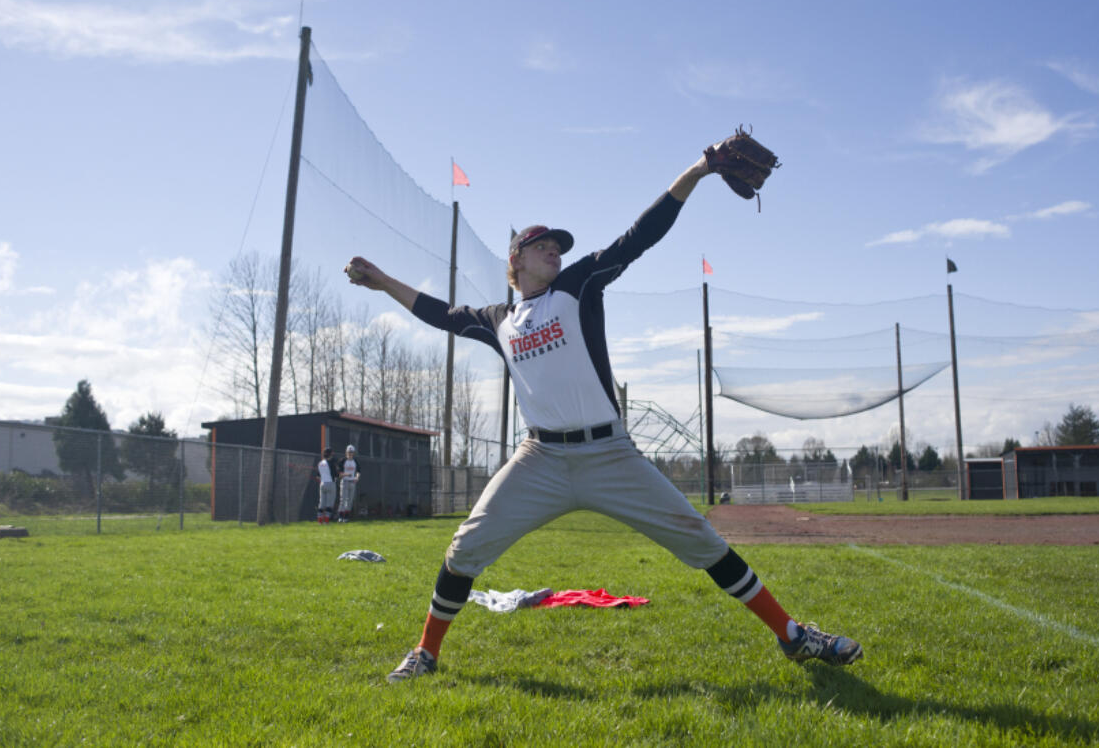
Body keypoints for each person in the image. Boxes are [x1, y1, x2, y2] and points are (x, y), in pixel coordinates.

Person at [344, 139, 862, 683]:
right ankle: (425, 653)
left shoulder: (579, 283)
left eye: (558, 247)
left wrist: (702, 168)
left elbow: (641, 235)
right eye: (543, 245)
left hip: (609, 454)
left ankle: (793, 636)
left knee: (701, 539)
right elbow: (440, 313)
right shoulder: (498, 318)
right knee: (466, 546)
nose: (556, 252)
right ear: (515, 259)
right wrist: (383, 282)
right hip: (539, 458)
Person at [314, 447, 337, 524]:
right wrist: (345, 474)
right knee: (329, 504)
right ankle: (326, 521)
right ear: (330, 454)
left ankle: (320, 521)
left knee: (322, 503)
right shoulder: (331, 463)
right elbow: (336, 475)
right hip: (330, 483)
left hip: (322, 484)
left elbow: (317, 476)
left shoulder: (320, 463)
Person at [337, 444, 360, 522]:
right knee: (343, 499)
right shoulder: (343, 460)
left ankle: (346, 517)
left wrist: (357, 477)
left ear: (353, 453)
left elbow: (358, 471)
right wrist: (347, 474)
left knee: (349, 500)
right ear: (346, 452)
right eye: (349, 452)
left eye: (351, 452)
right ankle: (340, 517)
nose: (350, 454)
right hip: (345, 481)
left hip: (352, 482)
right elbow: (339, 474)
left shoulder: (355, 461)